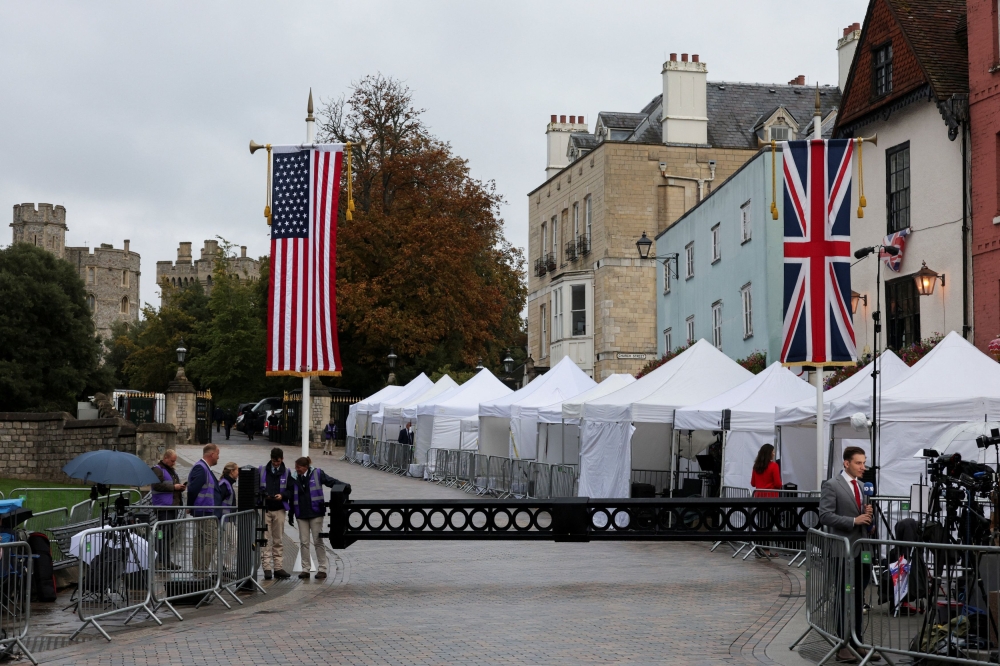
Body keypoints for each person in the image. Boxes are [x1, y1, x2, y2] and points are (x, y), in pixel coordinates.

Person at [819, 446, 878, 664]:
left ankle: (857, 642)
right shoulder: (832, 485)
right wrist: (854, 521)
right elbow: (825, 515)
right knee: (842, 599)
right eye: (858, 463)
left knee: (858, 599)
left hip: (861, 551)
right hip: (841, 552)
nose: (863, 467)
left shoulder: (863, 487)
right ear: (846, 463)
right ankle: (841, 645)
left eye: (864, 463)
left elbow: (865, 523)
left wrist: (868, 520)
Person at [288, 456, 345, 580]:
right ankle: (305, 569)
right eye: (296, 467)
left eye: (298, 467)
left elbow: (331, 481)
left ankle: (322, 568)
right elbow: (292, 496)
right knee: (304, 542)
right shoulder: (293, 478)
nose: (296, 469)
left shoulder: (317, 473)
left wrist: (344, 486)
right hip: (301, 513)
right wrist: (291, 513)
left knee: (318, 541)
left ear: (305, 467)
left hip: (316, 512)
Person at [187, 443, 223, 576]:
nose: (218, 457)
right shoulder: (201, 468)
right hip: (204, 510)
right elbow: (193, 489)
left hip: (204, 510)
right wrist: (190, 507)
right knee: (210, 540)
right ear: (212, 454)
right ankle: (202, 570)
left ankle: (199, 570)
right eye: (218, 454)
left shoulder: (204, 468)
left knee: (201, 541)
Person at [259, 448, 292, 580]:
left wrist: (282, 495)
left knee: (278, 539)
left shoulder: (288, 473)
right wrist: (264, 495)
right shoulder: (261, 470)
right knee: (265, 539)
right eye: (274, 461)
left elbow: (290, 490)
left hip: (279, 508)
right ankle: (267, 568)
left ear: (282, 459)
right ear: (271, 458)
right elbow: (256, 488)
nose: (276, 464)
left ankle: (278, 567)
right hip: (265, 508)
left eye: (278, 461)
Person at [150, 449, 185, 568]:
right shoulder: (158, 469)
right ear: (165, 458)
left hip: (171, 507)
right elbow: (156, 485)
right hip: (163, 507)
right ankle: (159, 561)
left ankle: (166, 560)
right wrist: (174, 487)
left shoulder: (170, 470)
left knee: (169, 535)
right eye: (172, 461)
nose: (173, 463)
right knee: (161, 534)